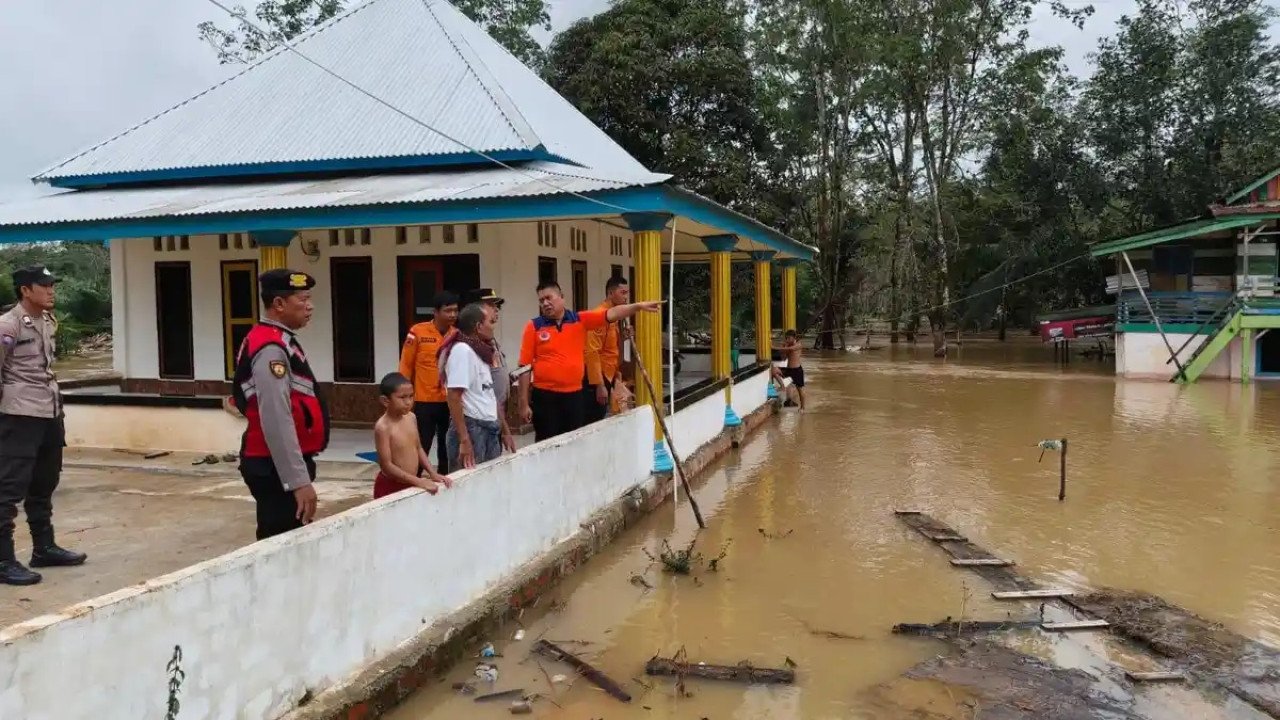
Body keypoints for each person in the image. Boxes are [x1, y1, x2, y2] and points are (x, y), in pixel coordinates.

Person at [0, 266, 85, 586]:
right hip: (19, 416)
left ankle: (44, 548)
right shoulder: (8, 325)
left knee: (44, 483)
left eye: (52, 284)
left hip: (49, 412)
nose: (51, 290)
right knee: (8, 488)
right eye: (44, 285)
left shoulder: (47, 321)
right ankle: (3, 559)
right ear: (25, 290)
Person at [233, 269, 330, 540]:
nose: (310, 306)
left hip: (276, 464)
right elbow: (276, 417)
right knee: (281, 543)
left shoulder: (280, 341)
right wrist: (297, 481)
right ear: (278, 304)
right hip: (273, 467)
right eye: (303, 299)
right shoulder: (270, 348)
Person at [518, 282, 661, 441]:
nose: (545, 303)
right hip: (545, 397)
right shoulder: (534, 326)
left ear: (561, 297)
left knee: (573, 441)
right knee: (545, 443)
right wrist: (523, 403)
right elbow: (524, 367)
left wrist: (638, 306)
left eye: (548, 298)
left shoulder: (579, 320)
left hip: (574, 396)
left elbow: (611, 314)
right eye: (541, 300)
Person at [440, 304, 511, 468]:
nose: (493, 328)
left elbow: (489, 394)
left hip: (489, 428)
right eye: (490, 323)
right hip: (473, 429)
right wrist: (464, 440)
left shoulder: (480, 352)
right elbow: (454, 396)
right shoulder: (462, 351)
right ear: (479, 326)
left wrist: (505, 430)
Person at [399, 291, 459, 473]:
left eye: (455, 311)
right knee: (420, 445)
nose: (452, 315)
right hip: (424, 402)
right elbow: (405, 367)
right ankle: (411, 483)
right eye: (448, 311)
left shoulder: (457, 335)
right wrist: (403, 400)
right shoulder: (417, 332)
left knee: (447, 447)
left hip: (449, 402)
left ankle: (445, 482)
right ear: (435, 312)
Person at [372, 373, 453, 498]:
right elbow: (387, 465)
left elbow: (418, 448)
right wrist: (418, 481)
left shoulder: (411, 417)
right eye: (402, 397)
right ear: (385, 401)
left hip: (410, 482)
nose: (408, 402)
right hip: (390, 486)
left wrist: (432, 473)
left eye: (411, 396)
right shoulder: (383, 427)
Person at [583, 275, 633, 423]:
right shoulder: (599, 316)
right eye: (622, 293)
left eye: (627, 292)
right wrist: (599, 385)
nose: (626, 297)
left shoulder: (615, 316)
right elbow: (592, 352)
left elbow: (611, 347)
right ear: (611, 293)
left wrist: (625, 337)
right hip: (598, 376)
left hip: (610, 372)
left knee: (605, 415)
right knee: (594, 418)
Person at [771, 329, 806, 409]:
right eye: (786, 338)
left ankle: (802, 408)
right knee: (773, 370)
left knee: (800, 390)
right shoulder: (788, 346)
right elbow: (784, 358)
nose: (787, 340)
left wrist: (774, 347)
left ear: (794, 338)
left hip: (797, 370)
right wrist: (784, 349)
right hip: (789, 369)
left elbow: (792, 349)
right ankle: (782, 386)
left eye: (789, 338)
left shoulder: (798, 344)